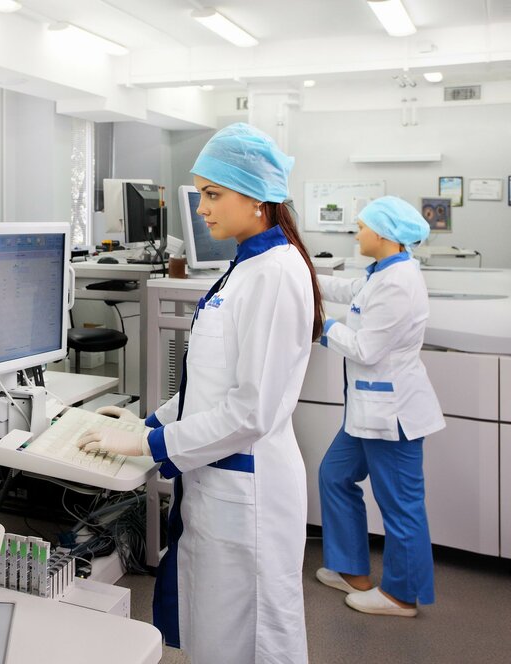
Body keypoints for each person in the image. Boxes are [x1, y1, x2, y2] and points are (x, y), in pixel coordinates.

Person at [78, 123, 321, 663]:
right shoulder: (246, 266)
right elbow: (210, 386)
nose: (202, 208)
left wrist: (149, 446)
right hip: (218, 482)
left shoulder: (276, 273)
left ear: (256, 197)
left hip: (249, 492)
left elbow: (250, 411)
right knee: (214, 635)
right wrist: (149, 423)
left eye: (213, 194)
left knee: (252, 642)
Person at [314, 196, 444, 617]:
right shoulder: (380, 273)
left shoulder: (399, 283)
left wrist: (323, 326)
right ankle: (352, 570)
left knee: (401, 505)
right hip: (367, 410)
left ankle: (401, 596)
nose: (357, 233)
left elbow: (366, 349)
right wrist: (300, 274)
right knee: (335, 476)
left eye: (361, 226)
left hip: (393, 414)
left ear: (384, 234)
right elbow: (347, 290)